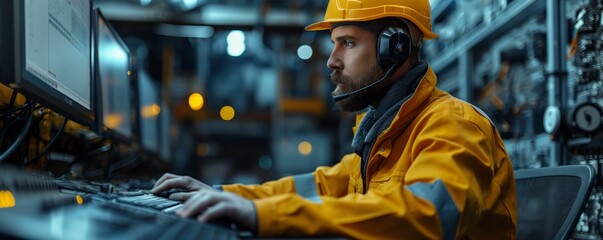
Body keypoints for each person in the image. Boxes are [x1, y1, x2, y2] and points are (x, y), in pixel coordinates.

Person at [151, 0, 517, 238]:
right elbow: (321, 186)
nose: (332, 60)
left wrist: (266, 216)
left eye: (348, 43)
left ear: (396, 46)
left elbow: (425, 216)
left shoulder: (453, 124)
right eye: (334, 43)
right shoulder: (382, 132)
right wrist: (224, 195)